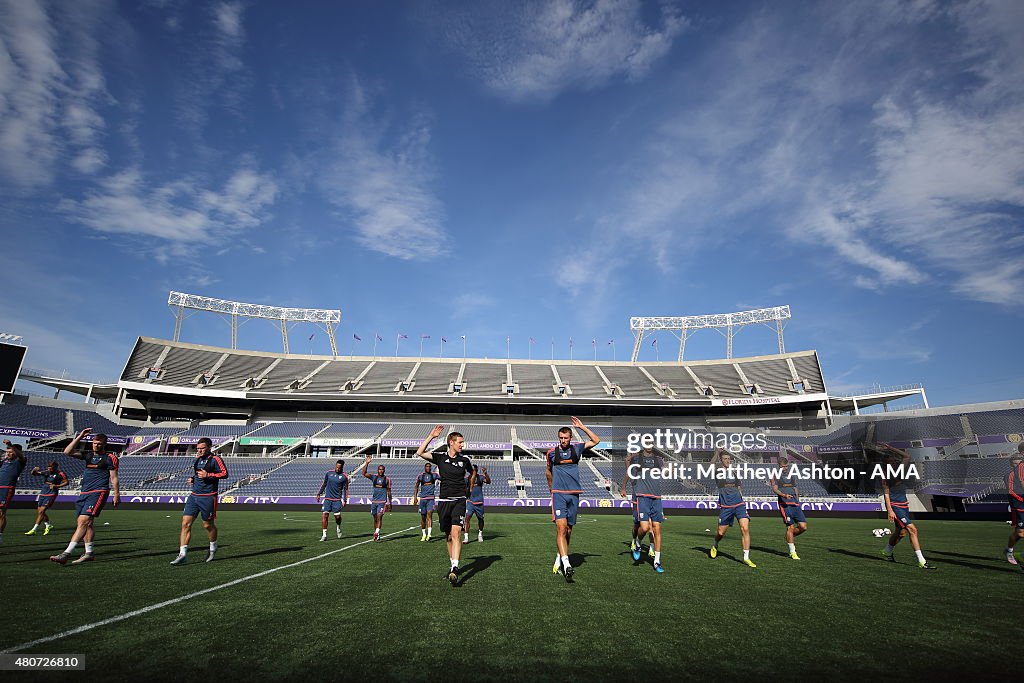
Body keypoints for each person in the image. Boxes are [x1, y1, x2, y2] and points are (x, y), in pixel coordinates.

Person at [50, 429, 119, 565]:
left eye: (99, 443)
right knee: (86, 525)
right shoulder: (88, 455)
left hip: (98, 492)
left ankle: (66, 553)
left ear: (104, 444)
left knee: (83, 522)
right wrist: (81, 436)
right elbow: (67, 452)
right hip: (84, 493)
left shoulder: (110, 458)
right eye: (94, 443)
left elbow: (114, 477)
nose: (96, 445)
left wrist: (116, 494)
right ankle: (89, 553)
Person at [416, 425, 473, 586]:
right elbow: (419, 452)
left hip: (459, 501)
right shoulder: (440, 458)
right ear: (451, 442)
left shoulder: (465, 461)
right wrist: (431, 436)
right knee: (448, 536)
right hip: (443, 501)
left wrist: (468, 488)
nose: (462, 445)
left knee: (456, 533)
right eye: (460, 442)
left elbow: (472, 473)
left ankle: (455, 568)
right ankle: (452, 565)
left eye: (462, 442)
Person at [547, 416, 600, 582]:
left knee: (568, 530)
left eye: (566, 438)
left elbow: (596, 440)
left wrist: (582, 427)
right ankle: (567, 563)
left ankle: (559, 556)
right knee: (561, 529)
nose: (563, 440)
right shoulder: (551, 453)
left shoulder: (577, 449)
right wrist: (551, 489)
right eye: (561, 438)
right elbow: (548, 471)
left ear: (570, 438)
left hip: (574, 494)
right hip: (559, 494)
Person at [170, 438, 228, 565]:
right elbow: (198, 474)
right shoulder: (197, 460)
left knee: (207, 525)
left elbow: (224, 474)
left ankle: (213, 548)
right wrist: (193, 479)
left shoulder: (216, 459)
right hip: (193, 496)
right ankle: (182, 554)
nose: (199, 451)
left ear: (209, 447)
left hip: (208, 497)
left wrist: (209, 475)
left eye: (202, 448)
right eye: (198, 449)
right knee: (185, 524)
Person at [877, 443, 935, 570]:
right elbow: (886, 493)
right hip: (895, 506)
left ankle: (887, 551)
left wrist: (890, 448)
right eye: (889, 461)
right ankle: (921, 561)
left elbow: (907, 456)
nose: (892, 462)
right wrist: (890, 510)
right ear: (885, 463)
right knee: (913, 530)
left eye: (893, 460)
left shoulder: (899, 469)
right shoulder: (885, 474)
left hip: (904, 505)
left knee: (900, 533)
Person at [708, 447, 756, 568]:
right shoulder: (717, 471)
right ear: (721, 460)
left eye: (729, 458)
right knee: (720, 532)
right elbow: (710, 466)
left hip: (739, 504)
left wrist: (742, 501)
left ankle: (746, 557)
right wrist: (717, 452)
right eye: (725, 458)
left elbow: (739, 488)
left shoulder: (734, 472)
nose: (728, 460)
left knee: (745, 528)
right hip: (726, 505)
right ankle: (715, 544)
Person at [621, 443, 665, 572]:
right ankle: (638, 544)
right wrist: (623, 487)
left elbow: (665, 470)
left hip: (656, 496)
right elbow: (627, 467)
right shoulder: (637, 458)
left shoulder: (658, 459)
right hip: (641, 495)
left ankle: (657, 561)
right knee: (643, 527)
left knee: (657, 528)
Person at [769, 450, 808, 559]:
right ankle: (792, 552)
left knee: (803, 527)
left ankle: (789, 536)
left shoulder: (791, 475)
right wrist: (784, 495)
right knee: (790, 527)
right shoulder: (775, 475)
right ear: (779, 466)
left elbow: (795, 488)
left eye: (786, 466)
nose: (785, 468)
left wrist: (798, 500)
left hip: (795, 504)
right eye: (783, 466)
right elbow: (775, 489)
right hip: (784, 504)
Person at [25, 460, 68, 536]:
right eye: (48, 467)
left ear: (55, 467)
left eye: (50, 467)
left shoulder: (60, 474)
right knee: (40, 512)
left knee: (41, 511)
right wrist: (34, 470)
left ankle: (34, 529)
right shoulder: (46, 472)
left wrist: (56, 486)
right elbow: (34, 474)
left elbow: (66, 482)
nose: (48, 468)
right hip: (43, 493)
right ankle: (48, 525)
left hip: (51, 493)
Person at [0, 439, 27, 545]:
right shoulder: (4, 461)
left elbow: (21, 456)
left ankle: (0, 535)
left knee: (1, 513)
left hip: (7, 489)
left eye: (11, 451)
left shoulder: (20, 460)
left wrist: (10, 445)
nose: (8, 453)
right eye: (7, 451)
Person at [316, 459, 350, 541]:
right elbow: (324, 484)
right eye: (336, 467)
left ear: (342, 467)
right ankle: (324, 535)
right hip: (327, 499)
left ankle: (338, 528)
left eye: (339, 468)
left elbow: (346, 489)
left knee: (337, 517)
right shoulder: (329, 473)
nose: (337, 469)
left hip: (337, 499)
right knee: (325, 515)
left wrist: (345, 500)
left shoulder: (344, 477)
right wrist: (319, 493)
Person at [360, 456, 391, 542]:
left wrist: (389, 502)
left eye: (382, 469)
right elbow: (364, 473)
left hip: (382, 502)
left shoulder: (387, 479)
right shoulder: (374, 477)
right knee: (375, 518)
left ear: (384, 470)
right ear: (378, 470)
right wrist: (367, 463)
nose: (381, 471)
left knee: (379, 516)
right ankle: (377, 533)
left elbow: (389, 492)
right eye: (379, 469)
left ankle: (376, 533)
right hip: (374, 501)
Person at [1004, 445, 1024, 566]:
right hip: (1019, 506)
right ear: (1011, 465)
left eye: (1018, 463)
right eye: (1015, 464)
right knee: (1020, 533)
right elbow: (1011, 492)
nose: (1017, 465)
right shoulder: (1009, 475)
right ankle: (1009, 550)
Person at [463, 464, 490, 544]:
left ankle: (480, 534)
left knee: (480, 519)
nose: (474, 471)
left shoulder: (480, 477)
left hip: (479, 502)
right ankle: (466, 537)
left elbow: (488, 481)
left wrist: (485, 473)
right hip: (470, 501)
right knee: (467, 518)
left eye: (475, 469)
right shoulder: (467, 479)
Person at [413, 462, 437, 542]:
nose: (428, 468)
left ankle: (429, 534)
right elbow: (416, 487)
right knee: (423, 517)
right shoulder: (420, 476)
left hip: (430, 498)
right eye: (427, 466)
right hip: (423, 499)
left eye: (429, 467)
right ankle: (424, 534)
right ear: (425, 468)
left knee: (429, 515)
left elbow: (443, 479)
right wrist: (415, 497)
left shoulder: (434, 475)